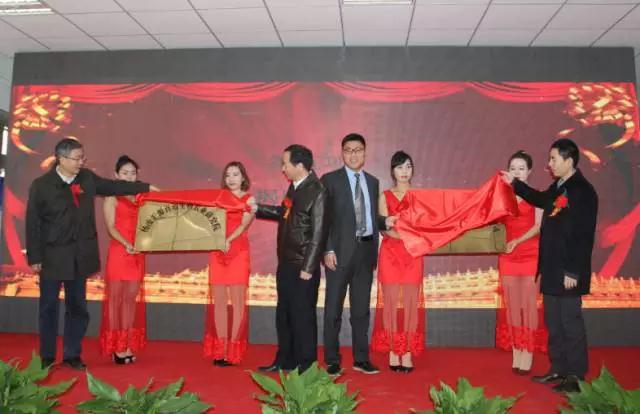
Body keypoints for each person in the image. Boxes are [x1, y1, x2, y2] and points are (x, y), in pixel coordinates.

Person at [26, 139, 154, 370]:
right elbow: (32, 223)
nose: (81, 162)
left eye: (82, 158)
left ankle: (72, 355)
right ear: (61, 159)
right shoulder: (41, 185)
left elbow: (113, 187)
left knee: (78, 308)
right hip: (52, 257)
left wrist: (145, 188)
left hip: (79, 256)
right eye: (76, 158)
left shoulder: (87, 178)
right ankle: (47, 356)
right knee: (48, 308)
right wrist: (34, 257)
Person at [501, 138, 598, 393]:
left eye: (553, 159)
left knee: (570, 323)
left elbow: (583, 236)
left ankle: (575, 376)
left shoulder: (583, 191)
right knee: (554, 323)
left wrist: (573, 271)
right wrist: (514, 183)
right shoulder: (558, 186)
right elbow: (539, 199)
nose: (550, 164)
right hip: (552, 268)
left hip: (569, 271)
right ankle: (558, 368)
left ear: (569, 160)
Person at [321, 133, 395, 376]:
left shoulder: (373, 182)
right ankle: (332, 360)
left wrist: (386, 221)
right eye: (348, 150)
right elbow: (323, 219)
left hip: (366, 252)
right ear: (342, 153)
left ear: (365, 153)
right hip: (339, 254)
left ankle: (361, 359)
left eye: (358, 150)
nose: (353, 154)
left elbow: (371, 217)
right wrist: (327, 249)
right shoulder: (330, 180)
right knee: (333, 310)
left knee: (361, 310)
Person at [252, 144, 328, 373]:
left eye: (285, 164)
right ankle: (285, 360)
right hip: (285, 263)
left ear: (300, 165)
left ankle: (306, 365)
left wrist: (309, 267)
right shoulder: (294, 188)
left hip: (303, 266)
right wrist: (257, 208)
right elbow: (284, 214)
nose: (282, 168)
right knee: (284, 314)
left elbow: (319, 233)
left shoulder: (318, 191)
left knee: (303, 316)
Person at [370, 151, 424, 373]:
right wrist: (407, 236)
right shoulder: (384, 196)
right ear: (392, 171)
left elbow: (424, 226)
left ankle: (408, 351)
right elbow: (385, 229)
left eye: (408, 166)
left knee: (411, 303)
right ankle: (394, 350)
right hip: (391, 254)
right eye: (400, 167)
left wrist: (414, 238)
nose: (405, 171)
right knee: (391, 303)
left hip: (413, 255)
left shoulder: (420, 196)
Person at [495, 150, 547, 374]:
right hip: (508, 256)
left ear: (529, 172)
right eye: (513, 168)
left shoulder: (536, 196)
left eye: (521, 168)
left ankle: (528, 352)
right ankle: (517, 349)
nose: (517, 172)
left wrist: (517, 241)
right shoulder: (502, 197)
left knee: (529, 306)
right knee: (513, 306)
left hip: (530, 255)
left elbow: (538, 226)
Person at [204, 161, 255, 366]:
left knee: (237, 303)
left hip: (238, 253)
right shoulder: (218, 199)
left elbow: (243, 225)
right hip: (217, 252)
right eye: (228, 175)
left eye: (235, 174)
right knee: (219, 303)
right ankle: (221, 350)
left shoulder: (249, 200)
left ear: (243, 178)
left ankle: (233, 351)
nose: (231, 179)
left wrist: (228, 239)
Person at [99, 155, 148, 364]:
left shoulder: (141, 198)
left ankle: (126, 343)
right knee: (115, 301)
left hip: (137, 253)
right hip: (120, 251)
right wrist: (126, 243)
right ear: (116, 175)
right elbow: (110, 227)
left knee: (130, 301)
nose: (129, 177)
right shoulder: (111, 197)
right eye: (125, 173)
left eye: (133, 173)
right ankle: (116, 348)